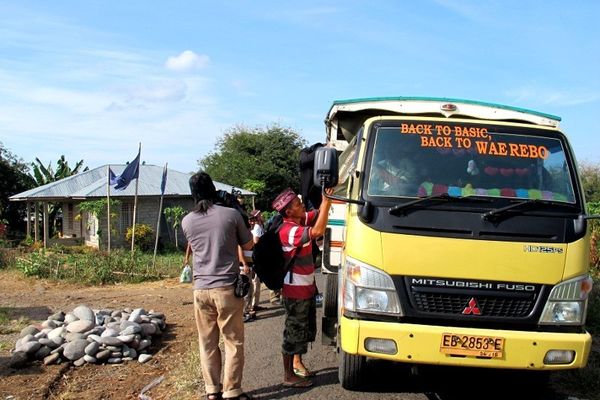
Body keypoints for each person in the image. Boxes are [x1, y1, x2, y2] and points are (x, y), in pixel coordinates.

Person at [182, 172, 254, 400]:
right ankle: (232, 391)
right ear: (213, 189)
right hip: (226, 288)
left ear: (192, 194)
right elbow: (249, 243)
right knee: (233, 341)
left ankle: (212, 391)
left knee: (207, 342)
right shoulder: (231, 215)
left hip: (200, 289)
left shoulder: (187, 221)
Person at [271, 187, 333, 388]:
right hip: (295, 292)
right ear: (288, 211)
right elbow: (317, 231)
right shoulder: (289, 231)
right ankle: (288, 376)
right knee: (292, 333)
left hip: (305, 289)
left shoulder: (298, 219)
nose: (302, 205)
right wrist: (326, 203)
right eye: (297, 204)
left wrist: (328, 197)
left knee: (304, 330)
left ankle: (297, 364)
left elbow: (315, 215)